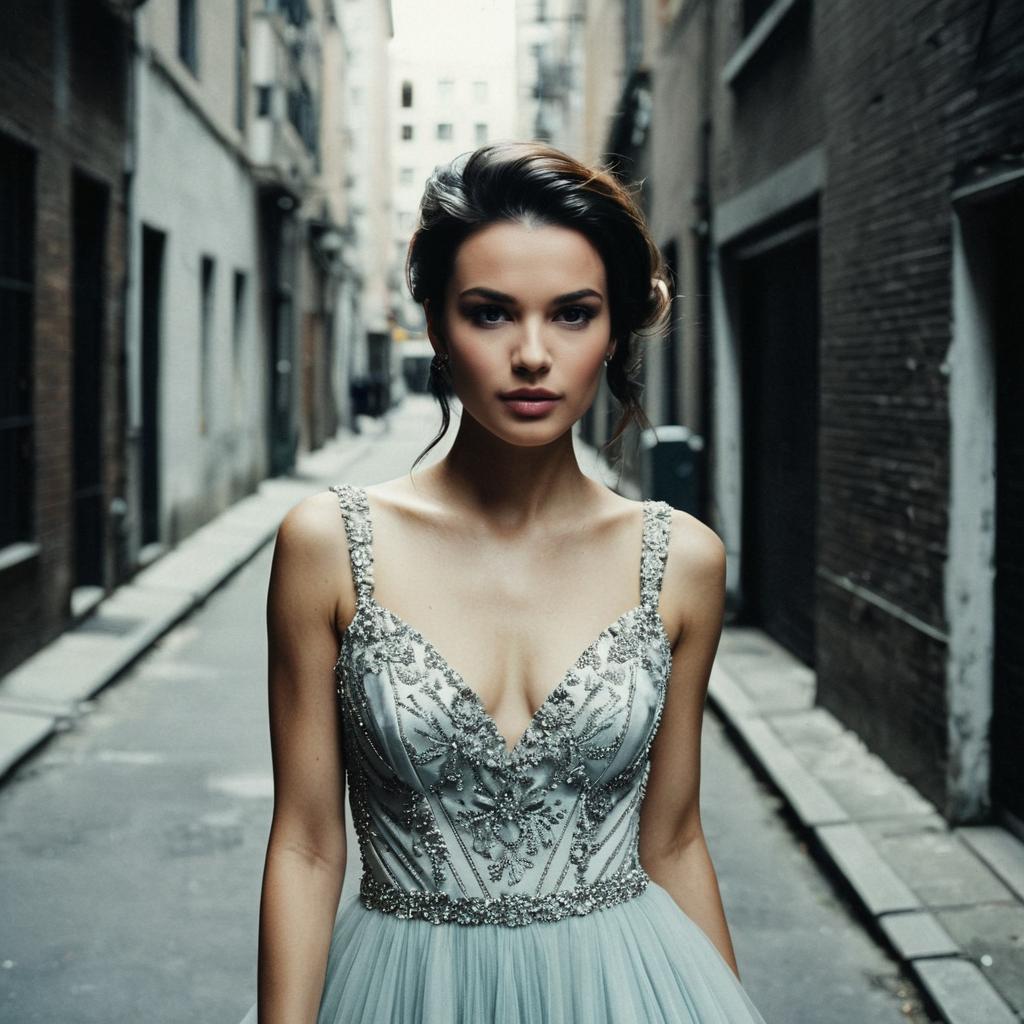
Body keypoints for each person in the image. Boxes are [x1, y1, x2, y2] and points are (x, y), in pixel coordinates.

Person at [239, 141, 767, 1023]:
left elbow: (672, 839)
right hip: (403, 995)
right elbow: (305, 844)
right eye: (489, 313)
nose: (531, 354)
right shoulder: (328, 545)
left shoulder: (683, 562)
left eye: (572, 314)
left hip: (628, 991)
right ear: (438, 328)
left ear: (614, 330)